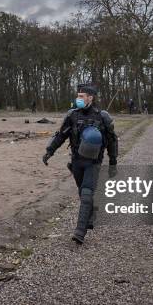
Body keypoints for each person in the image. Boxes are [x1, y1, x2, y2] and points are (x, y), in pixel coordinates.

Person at [42, 84, 118, 244]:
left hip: (93, 162)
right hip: (76, 161)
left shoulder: (103, 117)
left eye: (82, 96)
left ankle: (80, 232)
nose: (79, 99)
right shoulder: (72, 115)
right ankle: (90, 215)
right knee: (83, 193)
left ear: (91, 98)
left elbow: (112, 140)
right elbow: (61, 135)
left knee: (86, 193)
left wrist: (113, 161)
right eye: (78, 96)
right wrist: (50, 151)